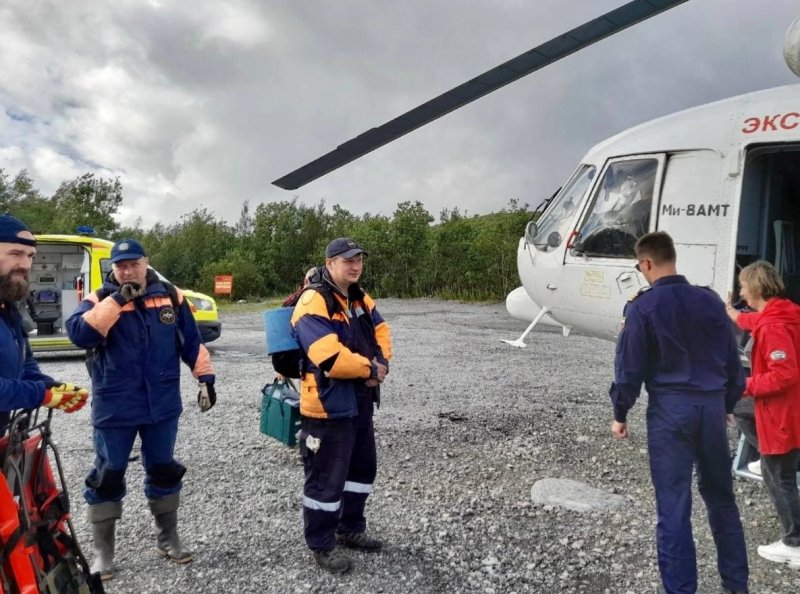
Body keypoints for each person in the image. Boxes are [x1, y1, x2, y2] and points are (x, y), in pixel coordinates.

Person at [66, 238, 216, 580]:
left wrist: (205, 378)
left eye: (133, 263)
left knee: (163, 468)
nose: (127, 270)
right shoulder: (100, 299)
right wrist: (119, 299)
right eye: (120, 265)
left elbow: (191, 341)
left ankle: (168, 538)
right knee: (108, 472)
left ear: (146, 262)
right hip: (115, 405)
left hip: (161, 403)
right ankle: (103, 552)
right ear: (113, 269)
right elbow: (80, 334)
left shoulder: (170, 296)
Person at [609, 231, 749, 594]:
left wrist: (620, 412)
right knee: (722, 500)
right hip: (711, 409)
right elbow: (733, 362)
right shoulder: (709, 301)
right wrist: (728, 405)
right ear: (674, 257)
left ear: (646, 263)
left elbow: (629, 368)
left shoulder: (642, 306)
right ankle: (737, 587)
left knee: (674, 506)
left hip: (671, 411)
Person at [291, 237, 392, 574]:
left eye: (359, 259)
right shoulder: (313, 301)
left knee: (362, 469)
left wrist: (382, 364)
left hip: (360, 400)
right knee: (325, 480)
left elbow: (381, 331)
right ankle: (321, 544)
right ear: (330, 263)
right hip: (327, 404)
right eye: (347, 259)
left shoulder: (360, 297)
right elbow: (328, 356)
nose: (355, 265)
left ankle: (350, 528)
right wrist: (369, 369)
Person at [725, 261, 800, 567]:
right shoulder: (784, 311)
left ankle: (794, 544)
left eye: (743, 286)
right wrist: (734, 315)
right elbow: (758, 323)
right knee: (741, 410)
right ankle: (763, 458)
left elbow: (784, 375)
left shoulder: (773, 326)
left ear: (754, 289)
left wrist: (744, 383)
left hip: (782, 412)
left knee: (778, 477)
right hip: (787, 407)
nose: (741, 291)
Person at [0, 213, 88, 428]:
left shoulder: (7, 308)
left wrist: (50, 386)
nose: (26, 264)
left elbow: (24, 363)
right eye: (15, 253)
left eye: (30, 255)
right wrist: (41, 395)